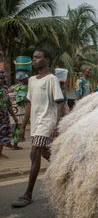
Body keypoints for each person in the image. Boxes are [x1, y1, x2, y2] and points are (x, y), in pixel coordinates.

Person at [12, 49, 64, 208]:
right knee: (46, 154)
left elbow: (59, 102)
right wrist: (22, 127)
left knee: (34, 153)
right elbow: (29, 104)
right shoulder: (32, 80)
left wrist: (57, 124)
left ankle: (27, 194)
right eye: (33, 58)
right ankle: (66, 170)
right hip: (35, 125)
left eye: (37, 57)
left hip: (46, 122)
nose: (33, 60)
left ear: (46, 60)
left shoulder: (52, 79)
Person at [8, 71, 29, 149]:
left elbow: (8, 93)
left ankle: (10, 142)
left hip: (12, 108)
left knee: (13, 125)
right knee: (18, 126)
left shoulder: (14, 86)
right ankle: (15, 144)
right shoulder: (23, 87)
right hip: (19, 109)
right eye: (27, 78)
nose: (28, 79)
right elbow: (20, 99)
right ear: (24, 79)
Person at [0, 70, 19, 158]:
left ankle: (0, 153)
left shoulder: (4, 89)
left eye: (2, 78)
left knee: (3, 134)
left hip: (4, 116)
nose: (1, 80)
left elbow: (8, 104)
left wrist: (14, 116)